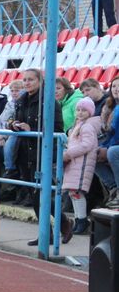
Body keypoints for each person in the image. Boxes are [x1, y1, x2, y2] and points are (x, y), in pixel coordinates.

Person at [9, 69, 66, 245]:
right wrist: (14, 125)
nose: (27, 83)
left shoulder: (49, 101)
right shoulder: (21, 100)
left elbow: (57, 129)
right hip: (25, 151)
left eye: (31, 80)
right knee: (33, 193)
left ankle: (63, 224)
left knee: (40, 193)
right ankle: (47, 232)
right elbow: (14, 120)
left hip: (42, 151)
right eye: (25, 80)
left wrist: (32, 130)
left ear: (40, 81)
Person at [62, 97, 100, 237]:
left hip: (82, 163)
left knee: (77, 192)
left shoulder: (87, 126)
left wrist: (68, 153)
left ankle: (83, 221)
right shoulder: (77, 125)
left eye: (84, 110)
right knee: (73, 192)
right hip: (75, 163)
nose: (80, 112)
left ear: (90, 112)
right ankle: (79, 220)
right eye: (78, 110)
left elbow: (87, 145)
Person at [94, 77, 119, 207]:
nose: (116, 89)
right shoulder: (109, 107)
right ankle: (113, 187)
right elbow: (108, 133)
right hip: (112, 143)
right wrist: (102, 146)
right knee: (92, 154)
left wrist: (107, 147)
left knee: (112, 152)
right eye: (114, 86)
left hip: (115, 145)